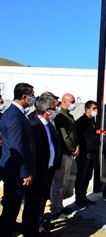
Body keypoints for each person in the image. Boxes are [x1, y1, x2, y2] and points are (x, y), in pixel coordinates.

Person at [0, 83, 35, 237]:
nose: (33, 98)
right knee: (11, 207)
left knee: (12, 207)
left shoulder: (17, 113)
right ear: (23, 96)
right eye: (32, 95)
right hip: (15, 170)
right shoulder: (14, 116)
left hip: (15, 168)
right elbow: (17, 146)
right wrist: (25, 172)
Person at [24, 96, 58, 237]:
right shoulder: (34, 126)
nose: (56, 110)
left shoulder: (49, 125)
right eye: (53, 108)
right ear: (45, 110)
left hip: (47, 170)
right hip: (36, 171)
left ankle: (38, 226)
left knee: (41, 201)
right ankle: (30, 231)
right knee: (32, 202)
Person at [50, 92, 79, 218]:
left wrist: (76, 146)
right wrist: (73, 149)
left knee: (64, 181)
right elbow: (64, 136)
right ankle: (56, 208)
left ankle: (59, 206)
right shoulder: (60, 116)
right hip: (63, 153)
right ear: (64, 101)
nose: (74, 104)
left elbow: (73, 134)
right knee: (59, 181)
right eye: (72, 102)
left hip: (69, 152)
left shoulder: (69, 116)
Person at [74, 100, 99, 207]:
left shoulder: (93, 121)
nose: (95, 111)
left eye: (96, 109)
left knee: (88, 176)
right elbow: (77, 138)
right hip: (84, 153)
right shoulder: (81, 122)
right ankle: (79, 198)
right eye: (93, 109)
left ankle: (83, 196)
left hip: (92, 152)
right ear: (87, 110)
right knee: (81, 176)